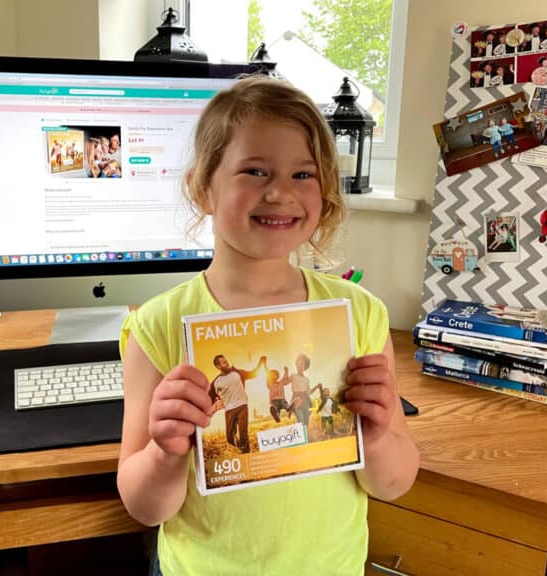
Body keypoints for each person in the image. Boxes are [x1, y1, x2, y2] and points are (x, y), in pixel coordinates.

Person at [116, 75, 419, 575]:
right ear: (202, 189)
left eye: (303, 175)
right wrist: (166, 452)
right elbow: (145, 507)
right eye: (255, 170)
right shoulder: (158, 327)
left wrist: (380, 434)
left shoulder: (361, 316)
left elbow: (392, 484)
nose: (280, 192)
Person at [207, 354, 266, 453]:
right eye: (224, 362)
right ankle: (240, 448)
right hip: (229, 410)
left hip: (242, 405)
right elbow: (209, 398)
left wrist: (260, 362)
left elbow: (253, 374)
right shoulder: (216, 382)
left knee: (243, 433)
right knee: (230, 438)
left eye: (227, 361)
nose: (227, 364)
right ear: (218, 366)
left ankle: (246, 454)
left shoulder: (237, 373)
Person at [285, 353, 319, 426]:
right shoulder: (293, 376)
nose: (299, 366)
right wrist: (286, 372)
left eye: (302, 364)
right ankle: (302, 435)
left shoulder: (306, 379)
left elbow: (309, 392)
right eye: (298, 364)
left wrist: (317, 387)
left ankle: (305, 436)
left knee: (306, 422)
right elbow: (285, 382)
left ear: (305, 366)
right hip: (296, 400)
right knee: (300, 420)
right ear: (296, 365)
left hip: (306, 401)